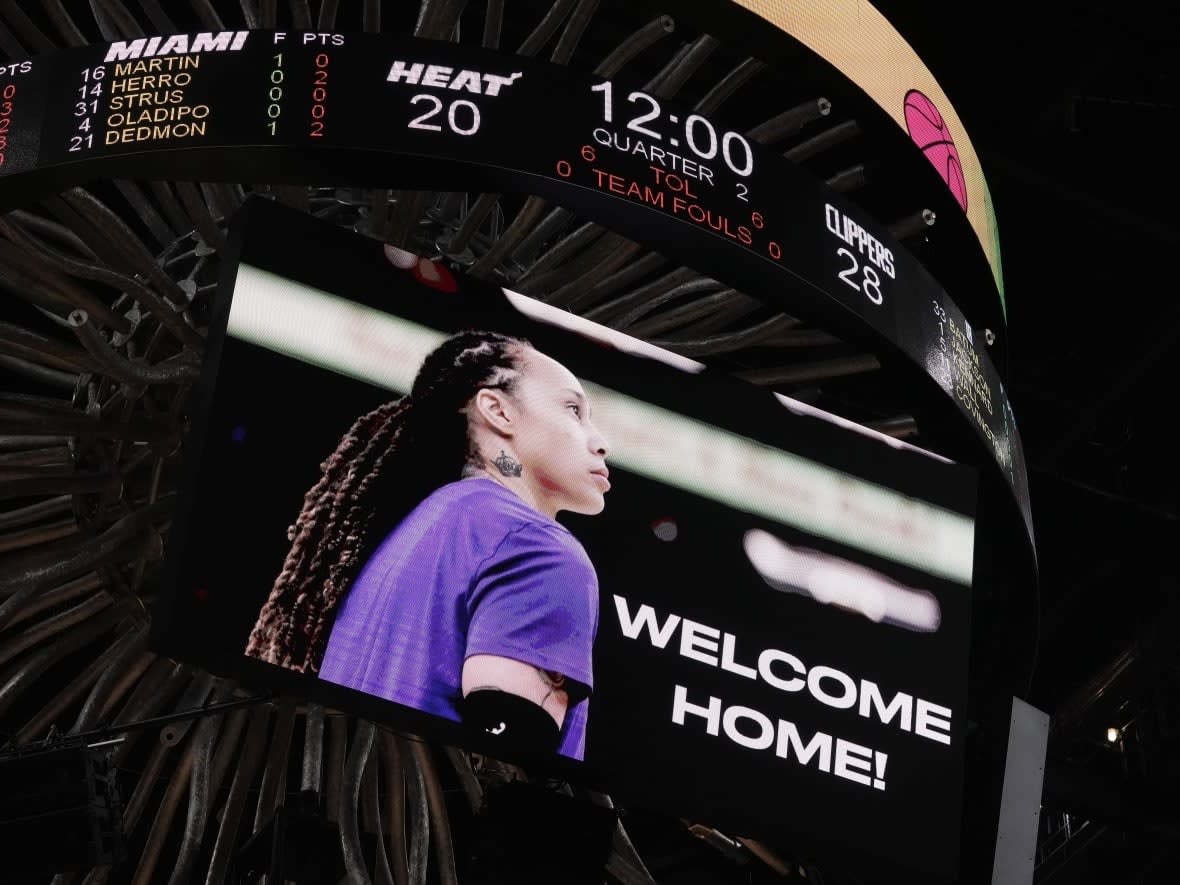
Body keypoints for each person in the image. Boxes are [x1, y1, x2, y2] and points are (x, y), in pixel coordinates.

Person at [245, 330, 611, 759]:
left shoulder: (422, 524)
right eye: (573, 409)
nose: (601, 441)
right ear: (498, 410)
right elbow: (506, 764)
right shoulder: (540, 549)